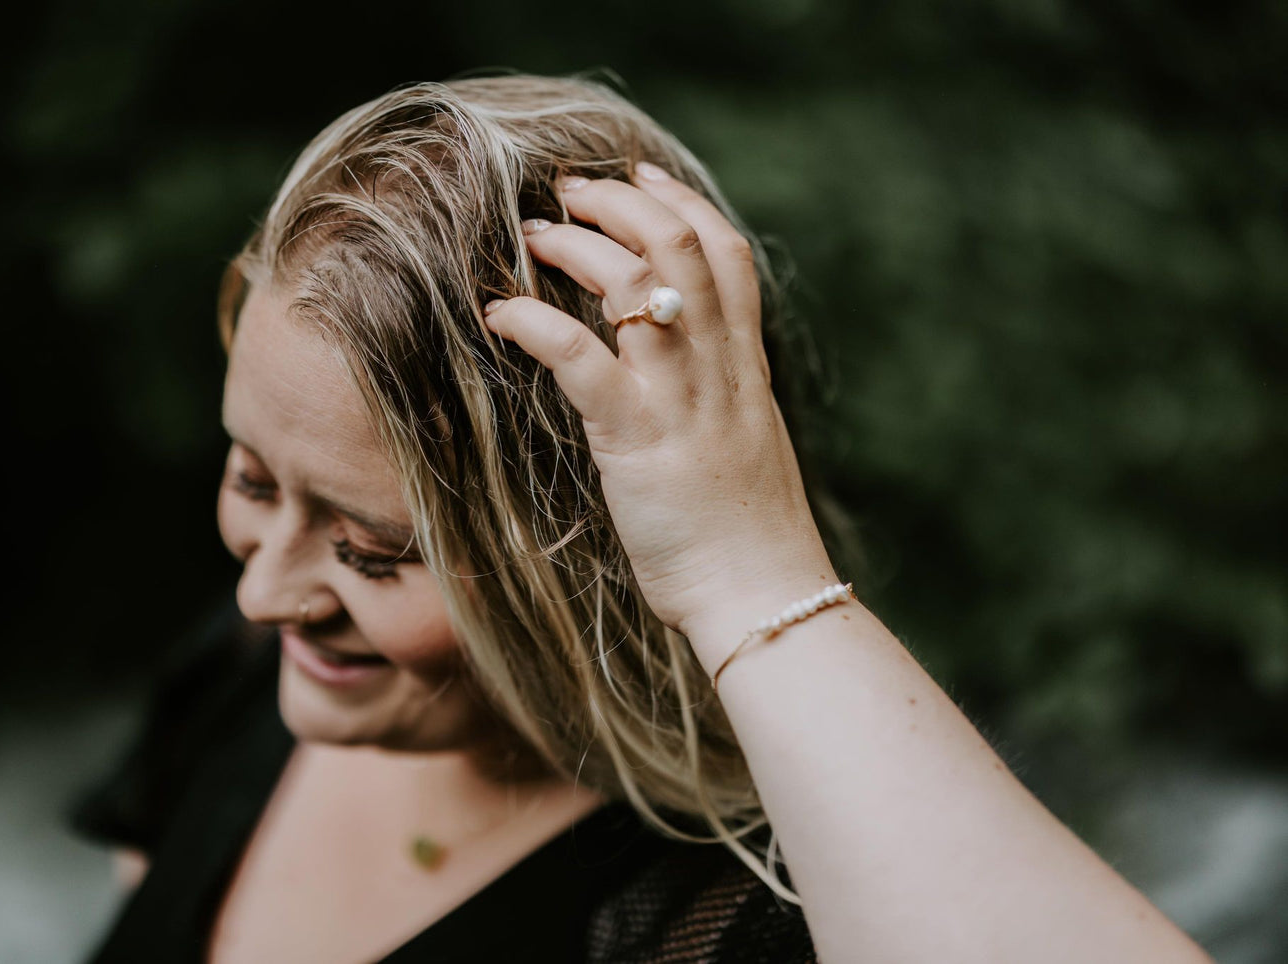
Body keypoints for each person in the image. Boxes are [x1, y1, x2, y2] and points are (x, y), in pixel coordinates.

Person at [73, 73, 1212, 963]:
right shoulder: (241, 679)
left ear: (601, 550)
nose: (263, 593)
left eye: (373, 552)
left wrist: (748, 572)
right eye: (253, 480)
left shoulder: (727, 913)